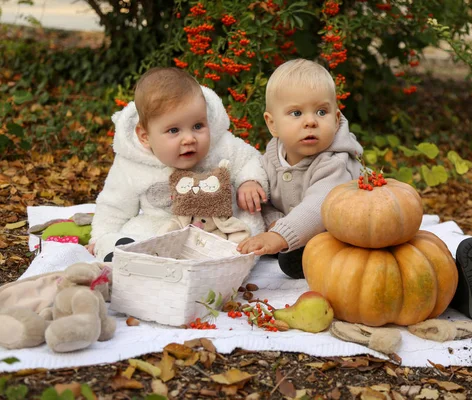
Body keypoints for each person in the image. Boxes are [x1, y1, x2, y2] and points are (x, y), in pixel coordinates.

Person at [89, 67, 268, 261]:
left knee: (249, 224)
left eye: (198, 126)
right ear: (145, 137)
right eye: (174, 130)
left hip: (220, 223)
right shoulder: (132, 163)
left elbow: (248, 158)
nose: (189, 138)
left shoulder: (220, 145)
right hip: (161, 226)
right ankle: (126, 255)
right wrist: (100, 237)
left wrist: (249, 181)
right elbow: (114, 206)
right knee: (134, 238)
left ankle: (226, 263)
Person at [236, 59, 363, 279]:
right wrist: (273, 218)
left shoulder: (334, 162)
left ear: (336, 119)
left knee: (320, 258)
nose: (311, 122)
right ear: (272, 124)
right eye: (296, 113)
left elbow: (318, 207)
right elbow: (263, 201)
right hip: (293, 233)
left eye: (321, 112)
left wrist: (279, 234)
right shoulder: (271, 159)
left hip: (340, 234)